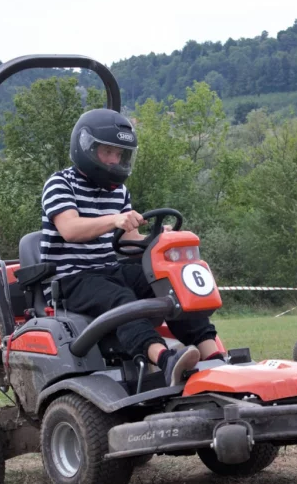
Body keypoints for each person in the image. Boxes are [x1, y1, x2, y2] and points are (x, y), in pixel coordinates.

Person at [40, 108, 221, 385]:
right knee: (122, 299)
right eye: (107, 152)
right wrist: (115, 219)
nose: (114, 160)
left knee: (168, 282)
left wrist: (156, 238)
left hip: (108, 269)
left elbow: (129, 241)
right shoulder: (60, 184)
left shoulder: (119, 191)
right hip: (70, 279)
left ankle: (216, 357)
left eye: (119, 154)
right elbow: (70, 229)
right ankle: (165, 359)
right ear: (86, 147)